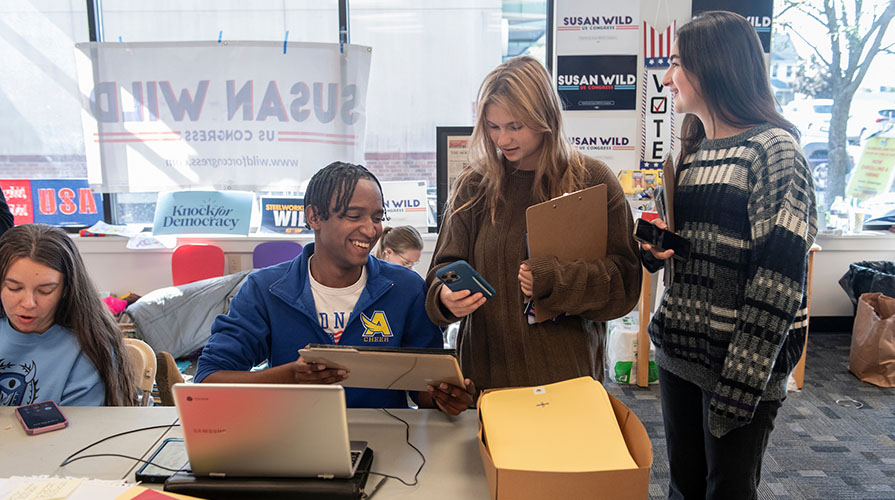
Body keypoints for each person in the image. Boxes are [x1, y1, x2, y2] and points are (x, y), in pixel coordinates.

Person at [640, 11, 817, 500]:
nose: (668, 76)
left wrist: (741, 383)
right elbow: (690, 253)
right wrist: (657, 251)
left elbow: (779, 281)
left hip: (741, 367)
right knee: (684, 487)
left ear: (713, 66)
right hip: (683, 354)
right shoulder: (694, 149)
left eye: (677, 63)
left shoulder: (775, 151)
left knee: (729, 490)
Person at [425, 56, 642, 392]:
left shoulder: (592, 181)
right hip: (486, 380)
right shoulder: (474, 185)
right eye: (493, 127)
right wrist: (445, 299)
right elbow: (439, 274)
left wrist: (553, 279)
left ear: (546, 119)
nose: (502, 139)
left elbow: (623, 285)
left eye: (515, 126)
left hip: (567, 379)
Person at [196, 162, 473, 415]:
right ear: (314, 217)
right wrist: (291, 377)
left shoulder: (405, 288)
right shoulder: (266, 289)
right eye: (354, 216)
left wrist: (446, 398)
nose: (370, 230)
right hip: (293, 438)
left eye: (377, 217)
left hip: (387, 442)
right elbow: (208, 380)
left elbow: (424, 389)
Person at [0, 224, 137, 406]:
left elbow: (78, 431)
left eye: (45, 290)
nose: (28, 303)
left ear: (66, 289)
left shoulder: (86, 346)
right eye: (14, 288)